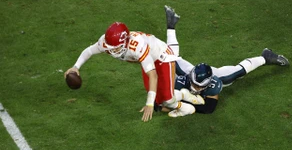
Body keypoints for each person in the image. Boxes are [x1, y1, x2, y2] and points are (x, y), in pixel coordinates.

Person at [159, 6, 290, 117]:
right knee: (171, 60)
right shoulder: (182, 76)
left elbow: (208, 108)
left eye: (199, 86)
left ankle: (266, 57)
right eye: (194, 84)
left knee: (238, 72)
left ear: (208, 83)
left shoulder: (216, 82)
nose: (195, 88)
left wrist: (184, 106)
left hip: (215, 74)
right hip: (183, 71)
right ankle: (171, 24)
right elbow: (164, 102)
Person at [64, 21, 196, 122]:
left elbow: (153, 76)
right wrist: (76, 67)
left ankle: (185, 108)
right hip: (147, 59)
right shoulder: (106, 43)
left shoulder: (136, 46)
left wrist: (149, 104)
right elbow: (89, 51)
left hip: (162, 57)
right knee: (156, 96)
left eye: (115, 48)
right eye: (110, 48)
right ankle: (182, 95)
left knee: (166, 99)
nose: (111, 51)